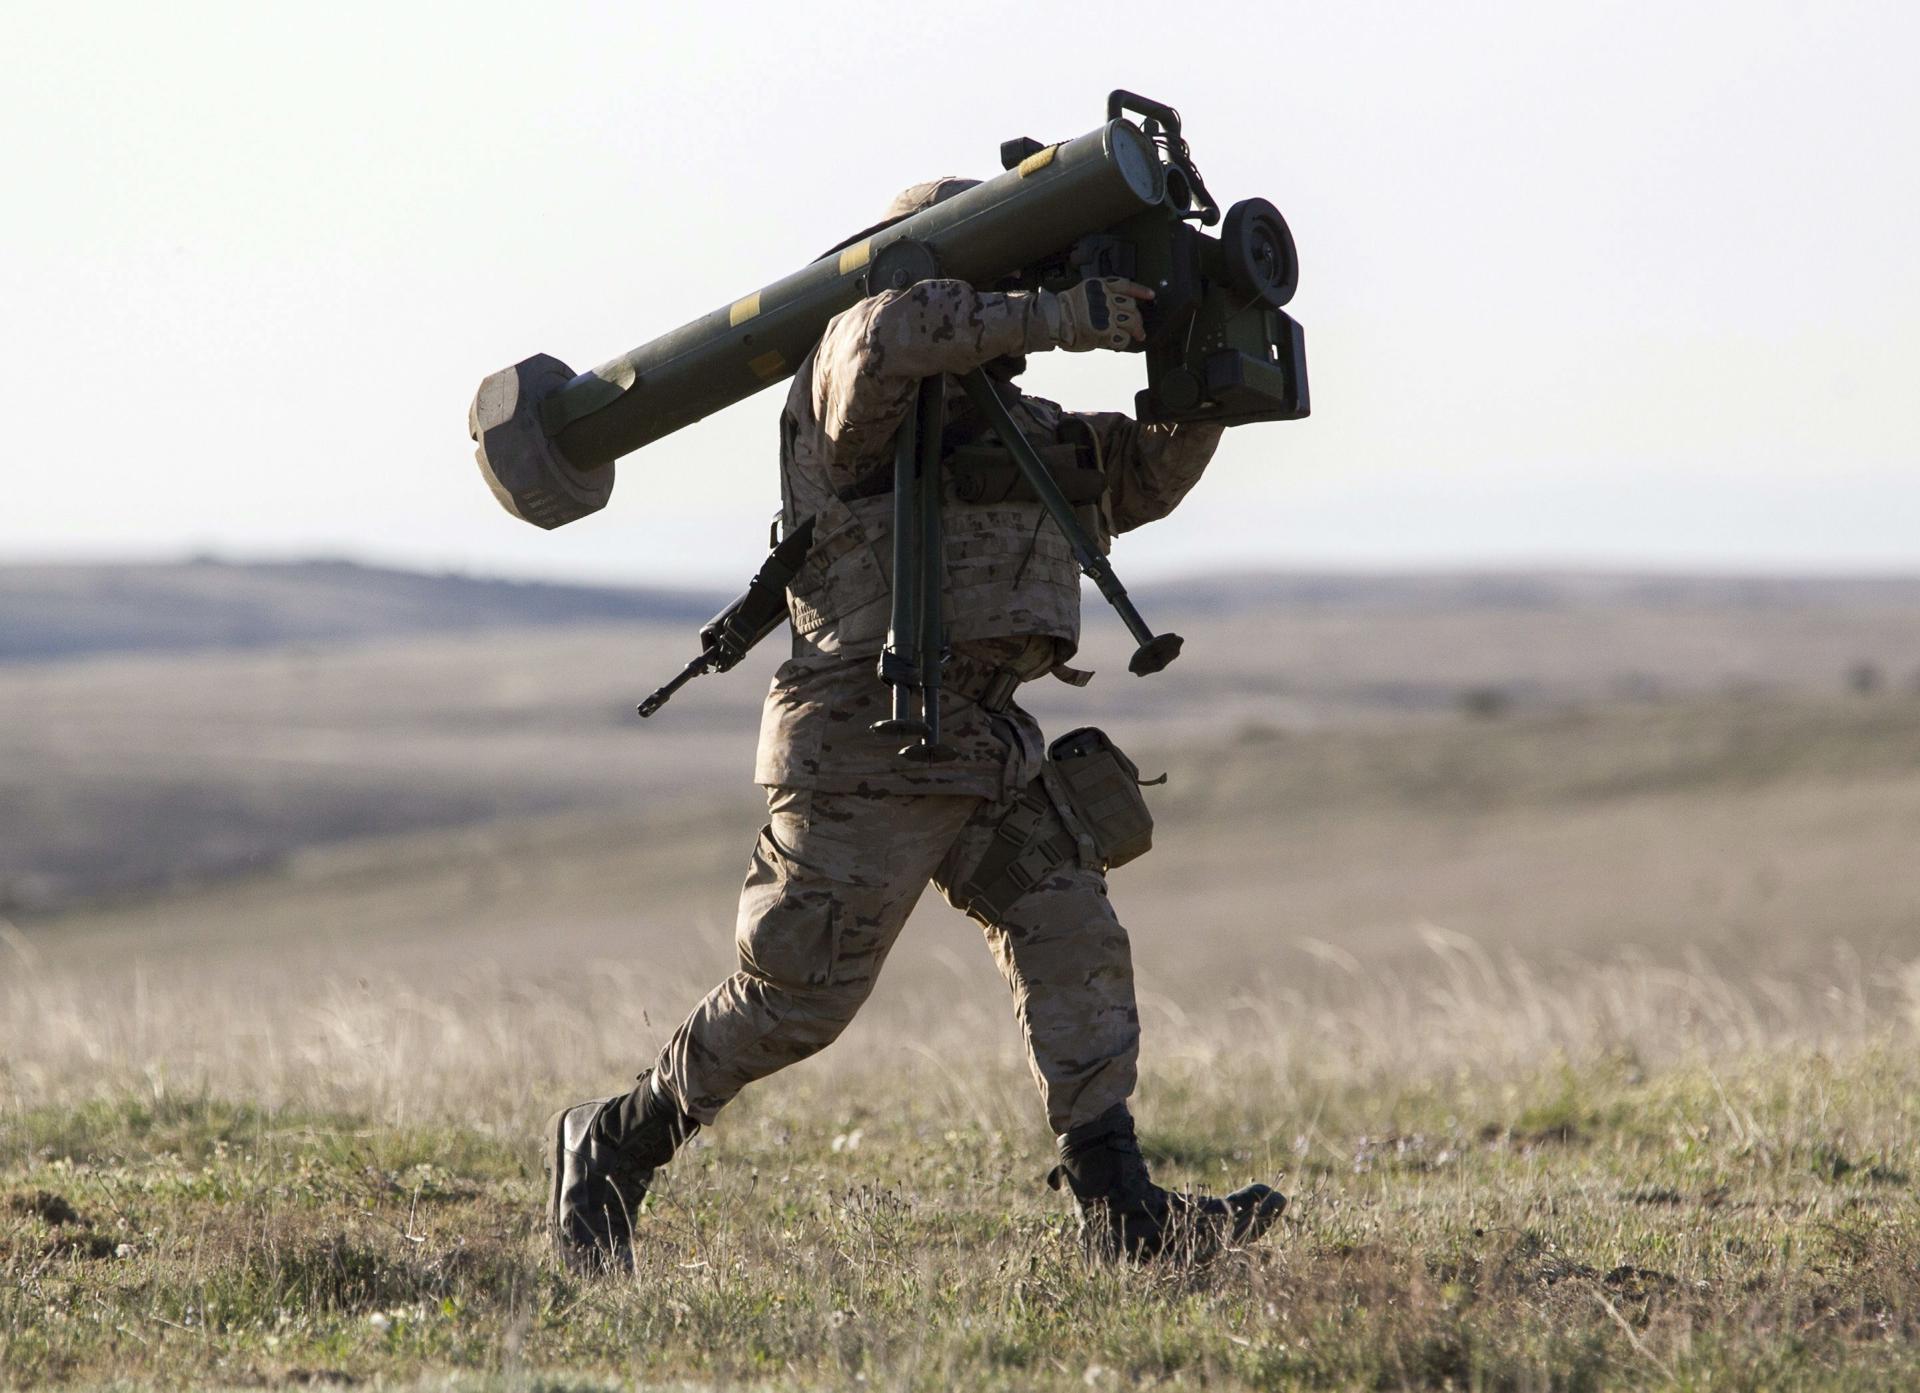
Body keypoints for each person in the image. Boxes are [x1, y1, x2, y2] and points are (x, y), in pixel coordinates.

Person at [547, 178, 1285, 1271]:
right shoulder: (853, 387)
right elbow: (893, 332)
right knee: (796, 1001)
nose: (1014, 299)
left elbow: (1146, 474)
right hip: (867, 740)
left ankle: (1122, 1212)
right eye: (995, 277)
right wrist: (1053, 314)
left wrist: (1210, 345)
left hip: (986, 740)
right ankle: (613, 1140)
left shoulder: (1020, 427)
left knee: (1073, 938)